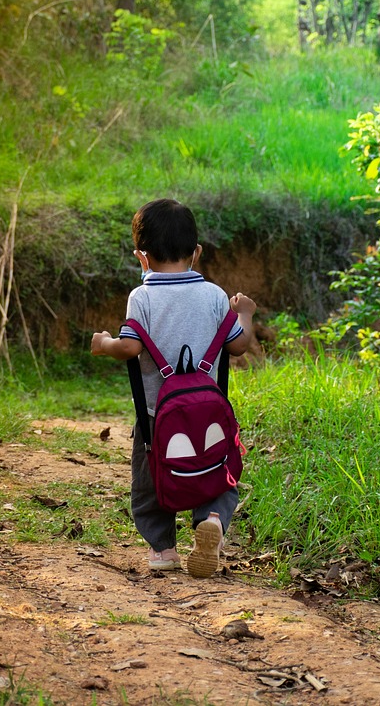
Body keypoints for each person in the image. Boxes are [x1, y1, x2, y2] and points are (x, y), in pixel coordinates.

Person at [91, 198, 257, 578]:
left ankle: (164, 549)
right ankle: (212, 519)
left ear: (142, 257)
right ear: (196, 252)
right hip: (209, 415)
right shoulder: (214, 295)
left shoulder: (142, 297)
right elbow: (238, 345)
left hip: (156, 418)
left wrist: (104, 344)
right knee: (216, 471)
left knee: (150, 483)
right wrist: (245, 313)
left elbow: (129, 347)